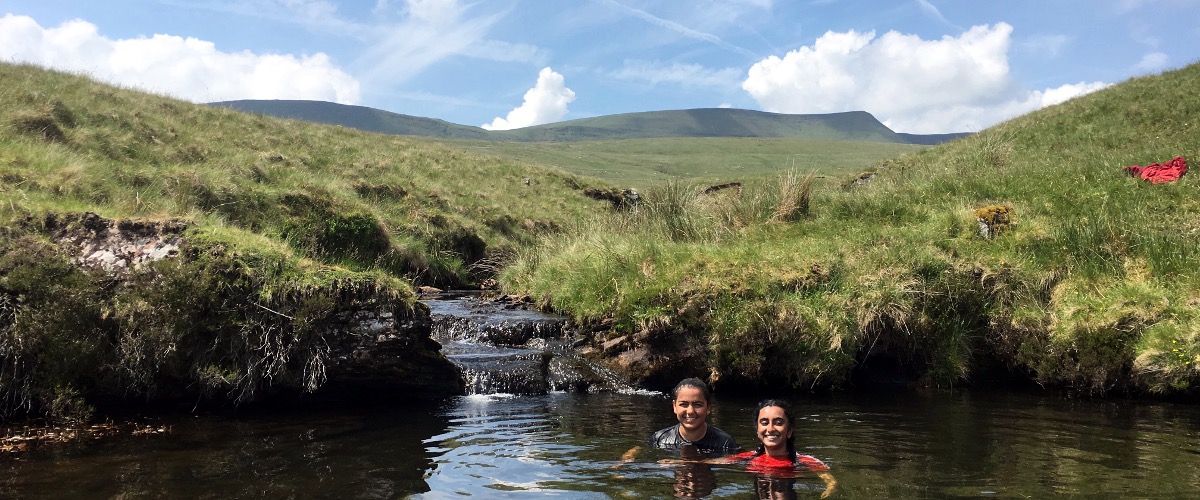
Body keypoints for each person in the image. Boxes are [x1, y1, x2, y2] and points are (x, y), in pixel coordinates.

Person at [728, 399, 838, 498]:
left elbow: (831, 482)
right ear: (757, 430)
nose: (770, 429)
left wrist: (829, 490)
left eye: (778, 423)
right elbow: (718, 462)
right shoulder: (746, 458)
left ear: (789, 431)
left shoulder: (804, 461)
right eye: (764, 423)